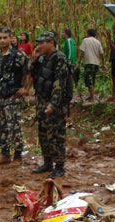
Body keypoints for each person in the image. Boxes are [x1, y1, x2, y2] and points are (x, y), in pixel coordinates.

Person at [30, 31, 73, 178]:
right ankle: (47, 163)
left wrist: (53, 104)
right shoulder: (44, 59)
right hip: (42, 101)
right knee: (43, 134)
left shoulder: (59, 59)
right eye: (38, 42)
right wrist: (34, 59)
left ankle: (59, 166)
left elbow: (59, 83)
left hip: (55, 104)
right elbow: (34, 76)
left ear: (51, 43)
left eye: (42, 43)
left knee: (56, 135)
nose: (39, 45)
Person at [0, 26, 30, 165]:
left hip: (12, 97)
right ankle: (5, 154)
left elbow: (29, 69)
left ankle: (18, 156)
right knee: (0, 127)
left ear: (10, 37)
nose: (2, 40)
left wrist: (26, 89)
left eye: (5, 38)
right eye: (0, 38)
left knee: (13, 126)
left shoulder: (18, 55)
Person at [79, 28, 105, 102]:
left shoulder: (85, 40)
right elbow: (101, 53)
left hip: (89, 63)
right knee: (92, 79)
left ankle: (93, 98)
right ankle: (91, 96)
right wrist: (103, 63)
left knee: (89, 80)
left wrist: (79, 61)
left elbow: (82, 52)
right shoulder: (98, 42)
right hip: (96, 63)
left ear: (88, 34)